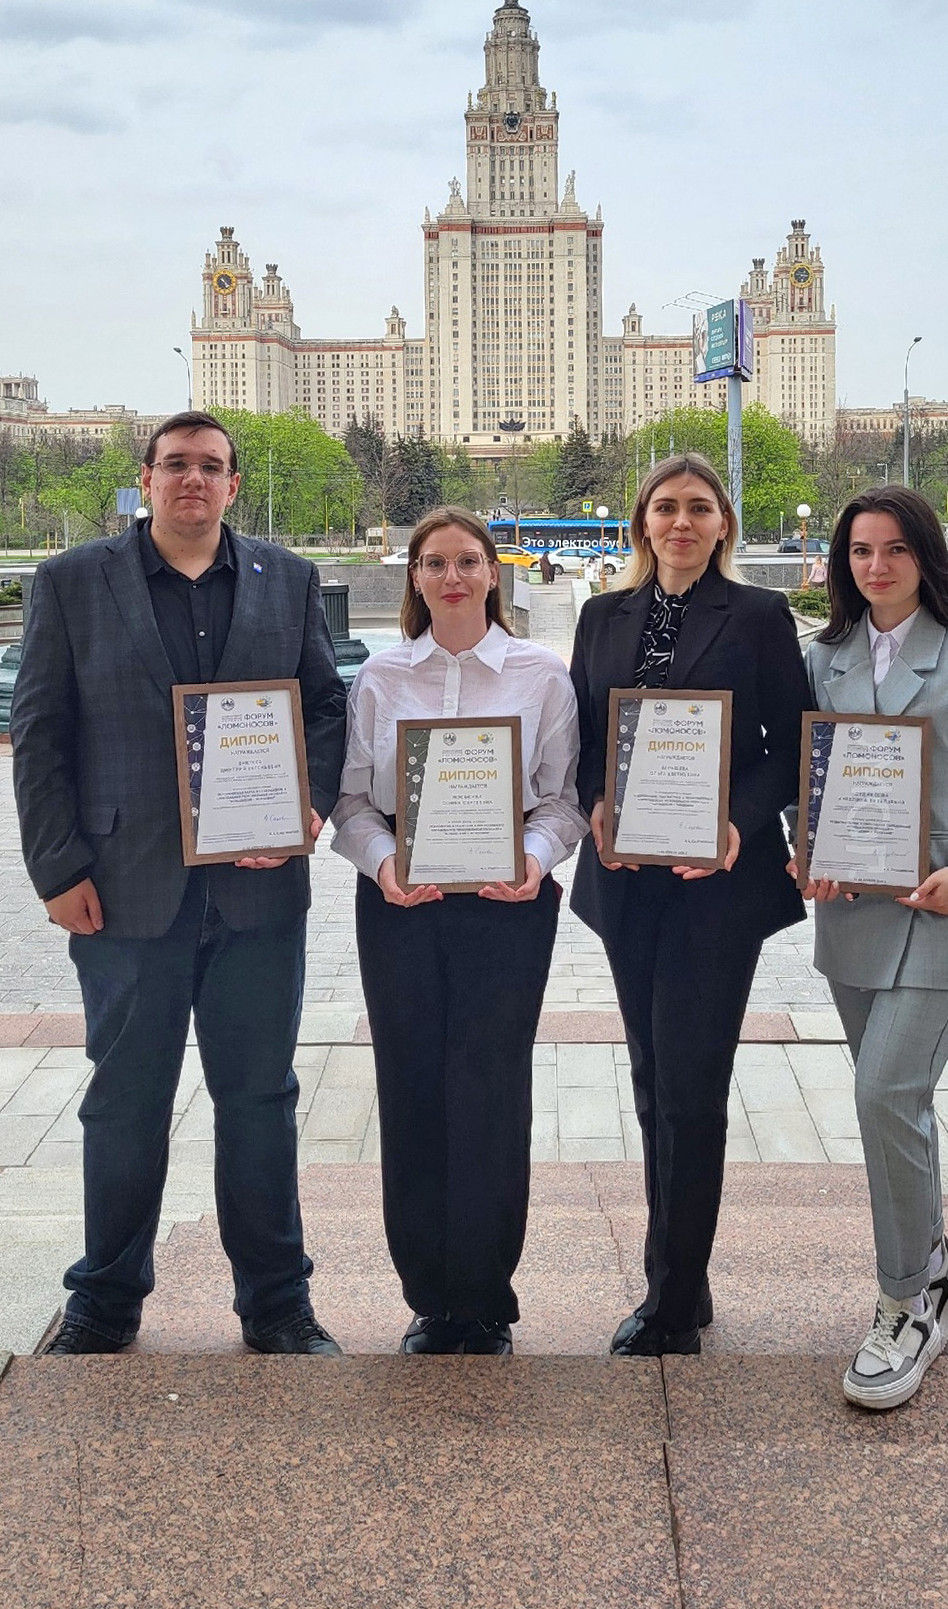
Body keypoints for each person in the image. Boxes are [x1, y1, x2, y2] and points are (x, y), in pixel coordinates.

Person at [11, 411, 349, 1357]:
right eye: (175, 465)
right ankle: (105, 1301)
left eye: (210, 466)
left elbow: (326, 705)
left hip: (258, 894)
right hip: (121, 891)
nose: (192, 479)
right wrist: (58, 866)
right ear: (146, 479)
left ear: (233, 483)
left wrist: (308, 806)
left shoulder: (287, 579)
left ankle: (277, 1304)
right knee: (124, 1100)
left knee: (259, 1100)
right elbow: (39, 733)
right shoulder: (72, 582)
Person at [797, 485, 948, 1409]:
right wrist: (805, 848)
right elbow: (805, 781)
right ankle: (939, 1263)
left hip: (940, 916)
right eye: (859, 550)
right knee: (899, 1112)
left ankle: (903, 1304)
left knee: (880, 1091)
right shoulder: (824, 660)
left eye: (893, 548)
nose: (875, 566)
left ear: (922, 556)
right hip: (852, 920)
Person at [570, 454, 812, 1357]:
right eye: (665, 507)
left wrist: (736, 824)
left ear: (722, 526)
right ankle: (683, 1275)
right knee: (650, 1078)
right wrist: (597, 796)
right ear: (642, 522)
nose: (680, 521)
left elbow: (789, 747)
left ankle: (670, 1305)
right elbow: (589, 735)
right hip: (626, 878)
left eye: (698, 508)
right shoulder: (602, 616)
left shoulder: (756, 616)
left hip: (718, 886)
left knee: (691, 1086)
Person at [331, 508, 586, 1355]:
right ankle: (428, 1297)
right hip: (402, 900)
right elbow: (353, 803)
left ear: (492, 573)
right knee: (409, 1088)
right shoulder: (379, 676)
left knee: (488, 1089)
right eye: (434, 562)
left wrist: (536, 856)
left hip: (506, 902)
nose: (452, 576)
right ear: (414, 575)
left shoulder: (540, 674)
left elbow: (562, 799)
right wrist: (379, 863)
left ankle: (481, 1297)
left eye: (467, 561)